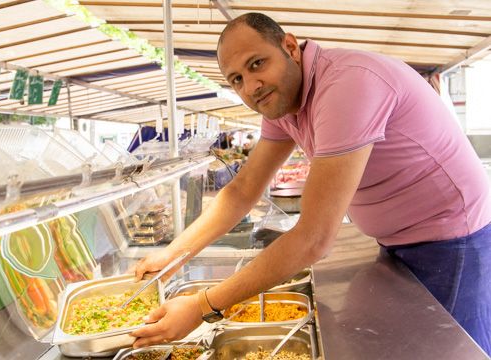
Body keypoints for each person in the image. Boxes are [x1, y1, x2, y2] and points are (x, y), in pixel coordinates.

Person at [129, 12, 491, 354]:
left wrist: (202, 306)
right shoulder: (283, 103)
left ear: (289, 47)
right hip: (398, 239)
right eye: (236, 79)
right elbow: (242, 190)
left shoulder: (346, 84)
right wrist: (172, 255)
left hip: (453, 239)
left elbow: (314, 239)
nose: (251, 86)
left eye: (257, 64)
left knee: (451, 351)